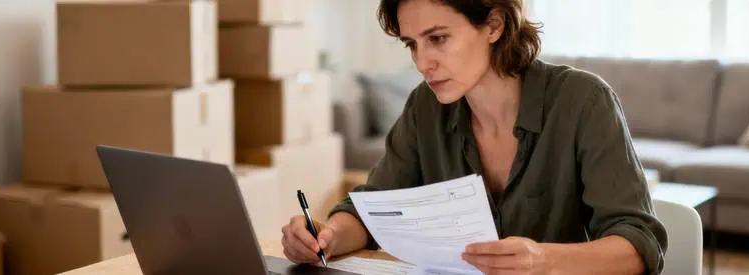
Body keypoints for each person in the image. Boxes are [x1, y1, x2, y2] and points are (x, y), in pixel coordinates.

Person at [281, 0, 668, 274]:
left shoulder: (584, 102)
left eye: (438, 38)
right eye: (412, 44)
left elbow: (637, 245)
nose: (421, 62)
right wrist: (326, 237)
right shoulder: (425, 108)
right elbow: (371, 208)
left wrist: (544, 261)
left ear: (495, 25)